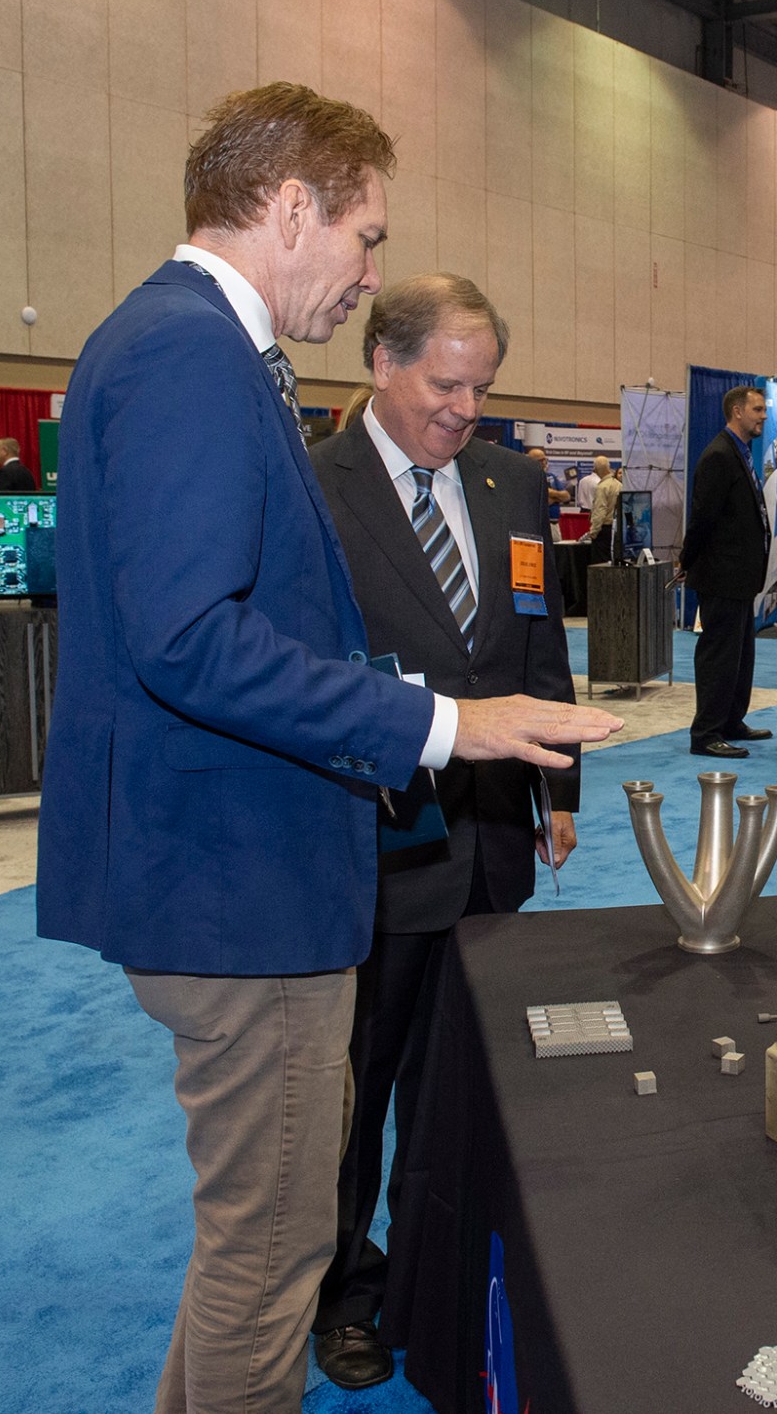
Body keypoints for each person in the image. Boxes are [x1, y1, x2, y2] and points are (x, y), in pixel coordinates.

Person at [35, 82, 622, 1414]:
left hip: (234, 872)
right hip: (238, 886)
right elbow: (189, 637)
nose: (368, 272)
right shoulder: (189, 352)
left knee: (252, 1237)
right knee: (274, 1252)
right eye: (365, 237)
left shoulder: (186, 345)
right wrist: (440, 721)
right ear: (290, 206)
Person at [304, 273, 582, 1389]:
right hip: (373, 846)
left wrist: (560, 785)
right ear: (381, 359)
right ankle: (342, 1289)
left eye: (482, 386)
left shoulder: (512, 479)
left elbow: (532, 633)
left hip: (492, 841)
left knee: (459, 1083)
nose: (465, 407)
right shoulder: (313, 486)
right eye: (445, 381)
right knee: (355, 1088)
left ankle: (431, 1273)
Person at [680, 385, 772, 758]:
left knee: (740, 655)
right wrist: (687, 561)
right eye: (758, 409)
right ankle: (705, 733)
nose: (763, 416)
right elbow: (704, 518)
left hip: (740, 577)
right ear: (737, 411)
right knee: (719, 655)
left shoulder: (739, 453)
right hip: (721, 576)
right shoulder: (719, 455)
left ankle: (732, 720)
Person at [578, 453, 622, 560]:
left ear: (596, 470)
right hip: (616, 529)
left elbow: (600, 511)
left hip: (604, 530)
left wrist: (593, 532)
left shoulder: (602, 487)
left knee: (599, 563)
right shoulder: (619, 485)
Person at [526, 445, 571, 540]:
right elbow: (540, 501)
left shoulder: (551, 477)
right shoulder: (527, 478)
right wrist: (557, 497)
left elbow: (566, 496)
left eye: (544, 459)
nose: (544, 463)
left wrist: (551, 494)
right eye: (540, 460)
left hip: (554, 524)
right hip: (536, 526)